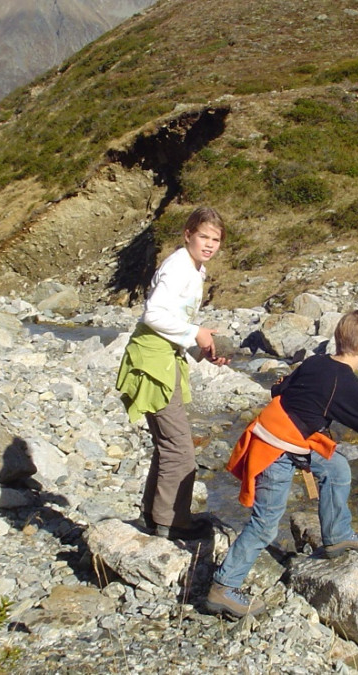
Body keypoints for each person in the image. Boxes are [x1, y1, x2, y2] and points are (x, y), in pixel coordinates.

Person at [206, 309, 358, 619]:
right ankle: (223, 587)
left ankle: (337, 535)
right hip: (275, 450)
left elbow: (280, 390)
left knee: (337, 466)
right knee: (265, 525)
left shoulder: (317, 362)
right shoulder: (346, 386)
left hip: (288, 440)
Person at [116, 206, 228, 539]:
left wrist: (201, 351)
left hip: (164, 358)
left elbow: (173, 322)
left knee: (169, 445)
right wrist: (196, 333)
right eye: (203, 237)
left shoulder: (196, 268)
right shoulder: (178, 267)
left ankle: (155, 516)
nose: (209, 244)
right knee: (180, 450)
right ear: (188, 235)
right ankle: (170, 522)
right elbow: (153, 315)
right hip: (152, 364)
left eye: (216, 239)